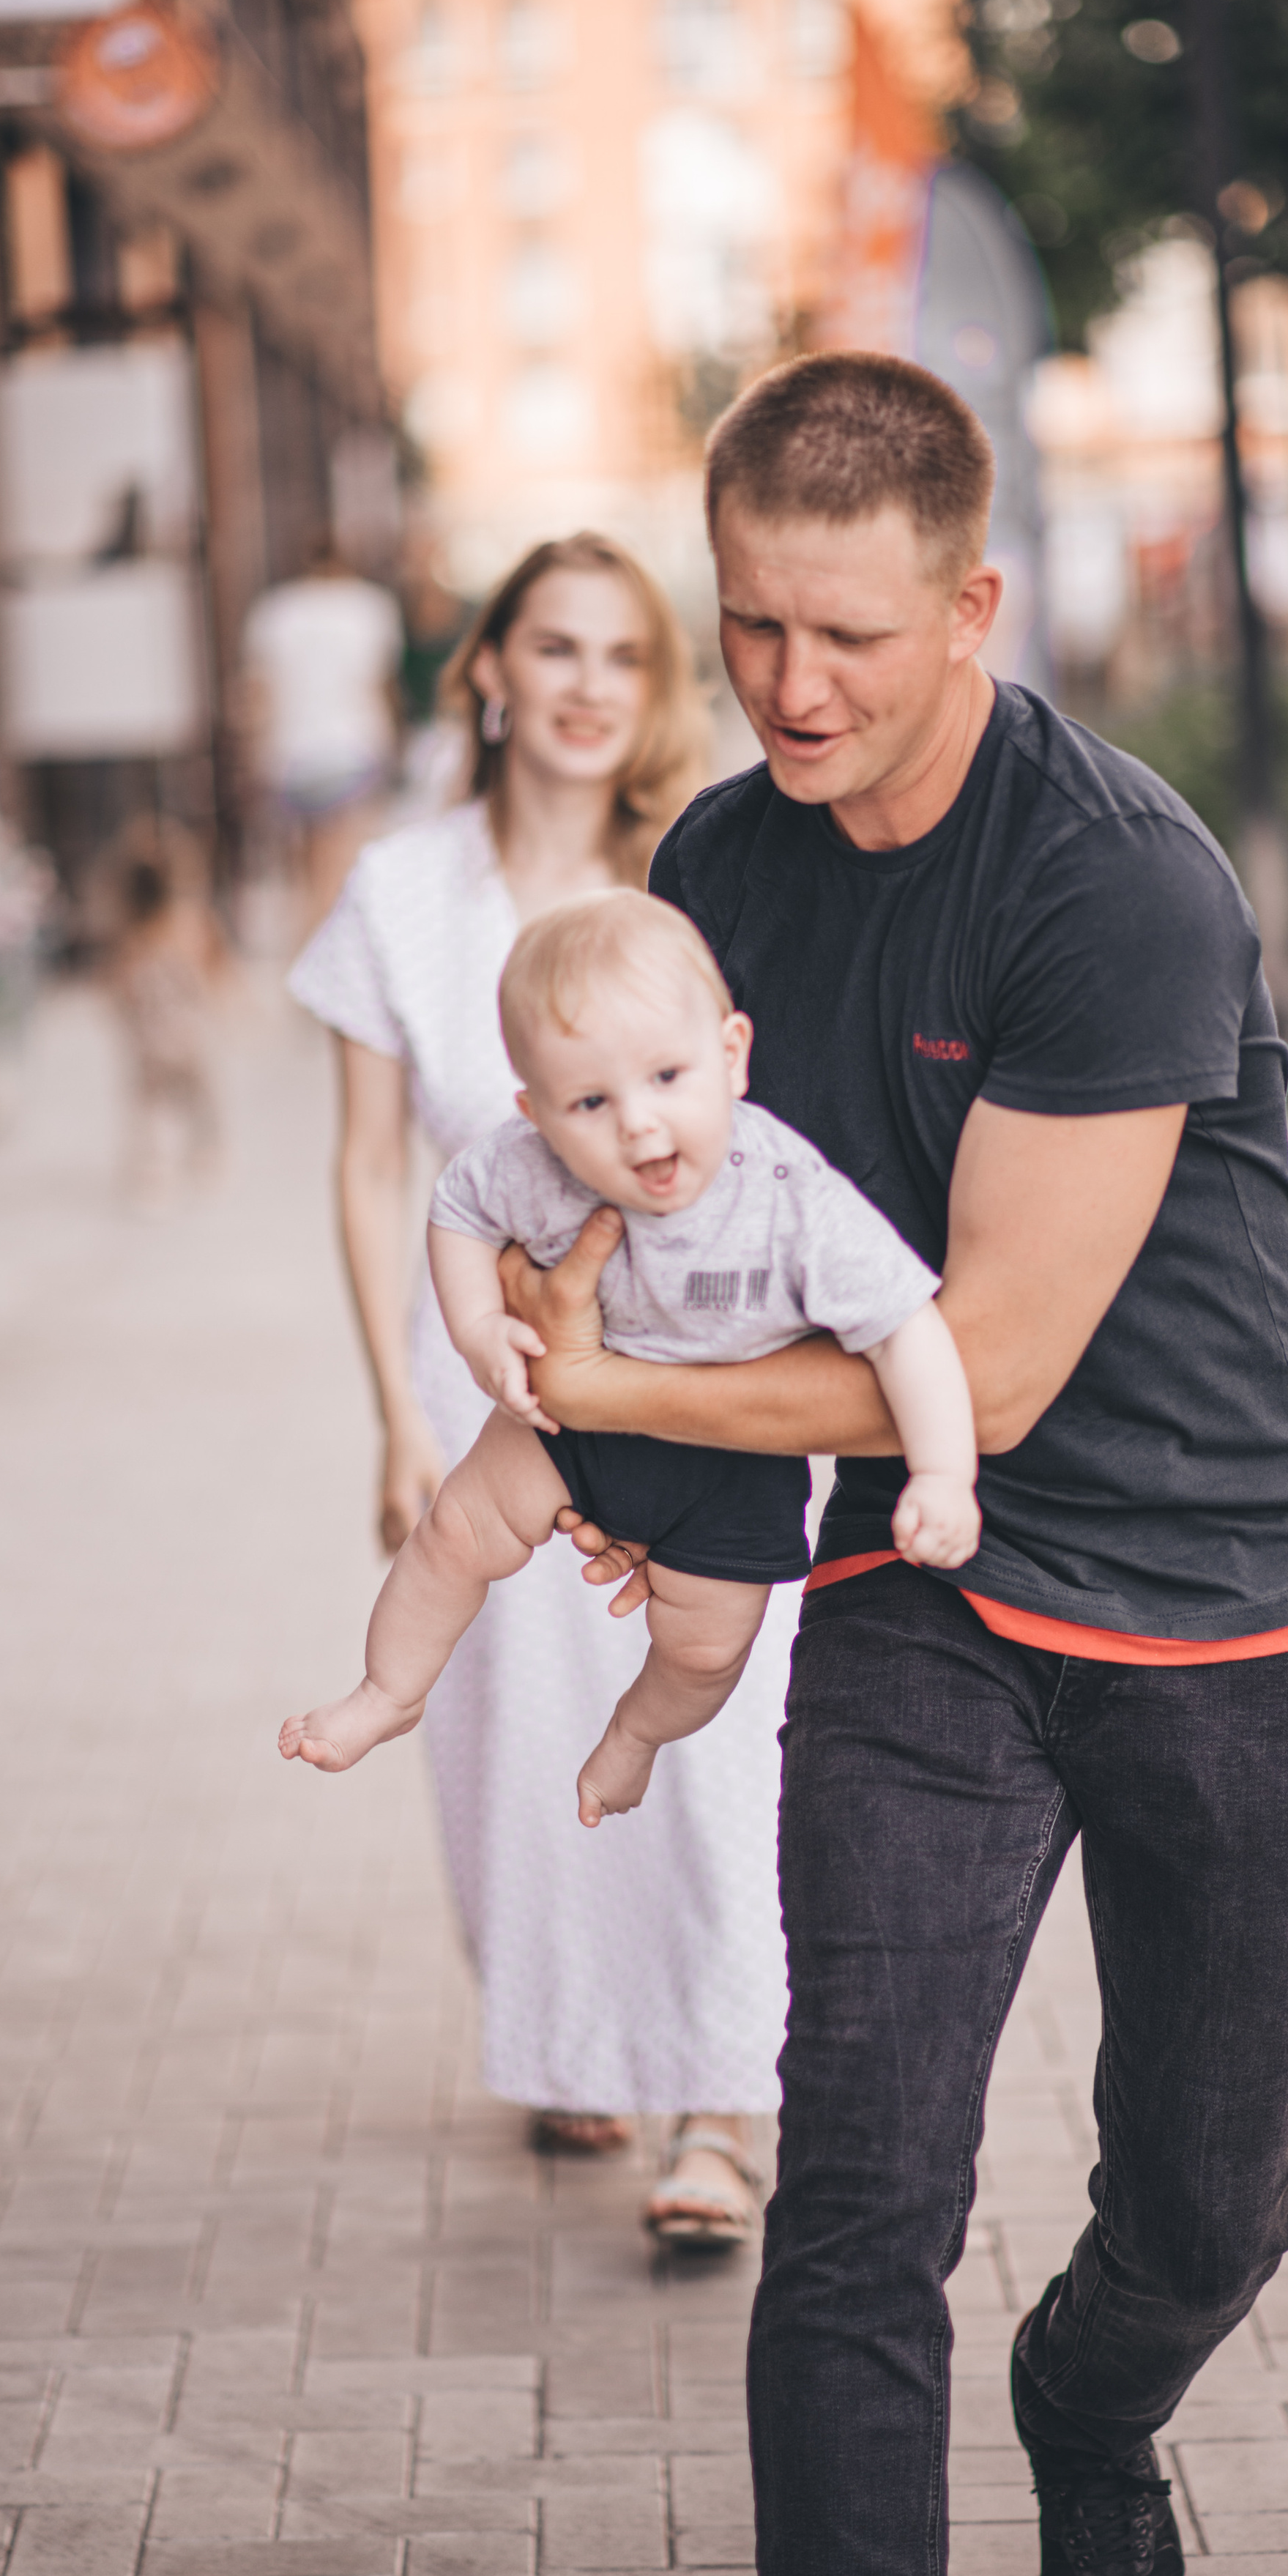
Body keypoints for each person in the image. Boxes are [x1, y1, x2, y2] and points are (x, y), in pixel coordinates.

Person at [496, 356, 1288, 2576]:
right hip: (924, 1586)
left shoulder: (1113, 885)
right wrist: (614, 1452)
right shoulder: (711, 869)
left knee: (1205, 2211)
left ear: (973, 602)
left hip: (1229, 1607)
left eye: (850, 639)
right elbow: (696, 1242)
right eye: (751, 627)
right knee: (859, 2198)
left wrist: (615, 1387)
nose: (790, 688)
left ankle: (1090, 2410)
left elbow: (985, 1363)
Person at [286, 533, 790, 2246]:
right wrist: (393, 1411)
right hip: (482, 1368)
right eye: (552, 647)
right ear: (488, 671)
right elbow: (369, 1172)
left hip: (685, 1364)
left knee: (707, 1731)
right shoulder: (399, 892)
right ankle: (583, 2035)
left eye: (622, 656)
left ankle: (726, 2101)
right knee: (517, 1749)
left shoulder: (697, 873)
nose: (585, 684)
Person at [278, 888, 978, 1818]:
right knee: (452, 1535)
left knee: (705, 1647)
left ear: (730, 1056)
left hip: (733, 1454)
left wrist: (941, 1473)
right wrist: (480, 1329)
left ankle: (636, 1734)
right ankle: (389, 1692)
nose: (638, 1124)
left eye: (666, 1078)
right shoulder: (527, 1163)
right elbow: (456, 1210)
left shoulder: (789, 1197)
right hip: (566, 1421)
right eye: (591, 1102)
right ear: (536, 1112)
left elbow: (904, 1327)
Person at [243, 538, 405, 930]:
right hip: (352, 747)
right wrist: (395, 742)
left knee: (303, 868)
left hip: (291, 753)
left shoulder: (275, 611)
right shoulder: (370, 607)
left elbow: (260, 692)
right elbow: (379, 684)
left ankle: (309, 943)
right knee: (340, 864)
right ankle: (328, 953)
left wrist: (255, 753)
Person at [103, 822, 223, 1206]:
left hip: (149, 1042)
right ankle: (206, 1160)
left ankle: (155, 1175)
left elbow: (117, 992)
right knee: (202, 1101)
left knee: (153, 1109)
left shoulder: (128, 939)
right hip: (192, 1038)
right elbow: (214, 977)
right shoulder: (192, 926)